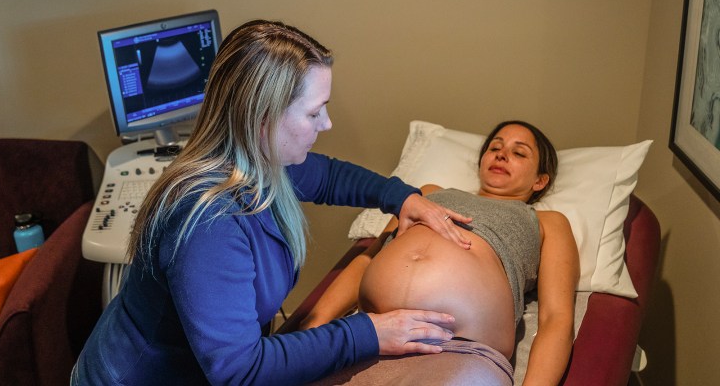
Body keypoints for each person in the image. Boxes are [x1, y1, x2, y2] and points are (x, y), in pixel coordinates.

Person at [72, 19, 477, 386]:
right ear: (263, 118)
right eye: (315, 112)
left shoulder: (261, 160)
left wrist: (403, 197)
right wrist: (369, 334)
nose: (327, 124)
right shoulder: (209, 223)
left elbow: (332, 176)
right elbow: (240, 370)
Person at [302, 121, 579, 386]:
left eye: (519, 152)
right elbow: (366, 261)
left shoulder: (547, 221)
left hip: (457, 352)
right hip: (369, 334)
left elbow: (556, 316)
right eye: (494, 148)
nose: (502, 155)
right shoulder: (428, 193)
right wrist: (310, 330)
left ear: (540, 181)